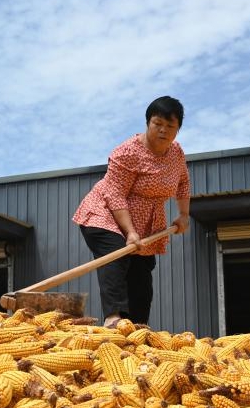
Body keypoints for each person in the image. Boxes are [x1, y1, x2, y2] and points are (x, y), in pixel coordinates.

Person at [72, 96, 191, 327]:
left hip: (143, 223)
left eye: (170, 126)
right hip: (104, 213)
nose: (163, 130)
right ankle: (113, 318)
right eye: (158, 124)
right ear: (148, 123)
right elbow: (115, 194)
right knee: (117, 254)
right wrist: (130, 231)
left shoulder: (176, 152)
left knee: (141, 273)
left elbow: (183, 182)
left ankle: (137, 327)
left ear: (178, 130)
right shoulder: (127, 152)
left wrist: (184, 214)